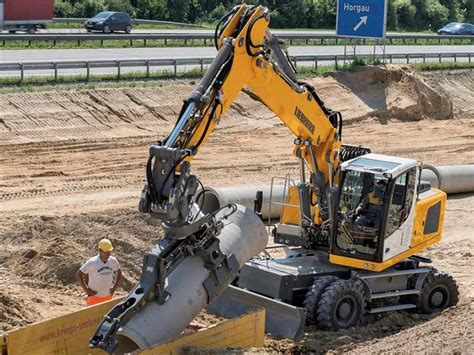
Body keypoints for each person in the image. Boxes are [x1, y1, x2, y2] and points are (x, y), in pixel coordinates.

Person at [75, 238, 122, 306]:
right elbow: (78, 274)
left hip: (108, 297)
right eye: (106, 252)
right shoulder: (92, 262)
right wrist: (86, 289)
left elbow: (119, 272)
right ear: (100, 250)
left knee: (106, 316)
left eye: (109, 252)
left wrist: (114, 287)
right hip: (94, 298)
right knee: (91, 316)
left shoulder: (113, 261)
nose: (108, 254)